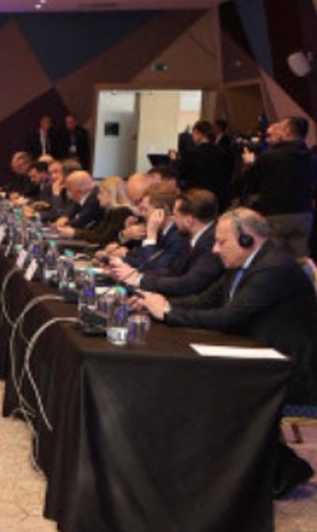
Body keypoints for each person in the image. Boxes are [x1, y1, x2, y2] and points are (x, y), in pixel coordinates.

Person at [133, 208, 317, 498]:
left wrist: (168, 314)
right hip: (256, 353)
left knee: (211, 388)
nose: (215, 250)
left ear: (247, 239)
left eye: (222, 242)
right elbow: (207, 300)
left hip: (289, 368)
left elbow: (228, 317)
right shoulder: (242, 263)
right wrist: (161, 303)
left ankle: (281, 468)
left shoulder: (273, 268)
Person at [110, 188, 223, 297]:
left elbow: (187, 283)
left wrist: (139, 279)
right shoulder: (194, 237)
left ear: (189, 221)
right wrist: (135, 275)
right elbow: (173, 271)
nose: (173, 219)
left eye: (176, 215)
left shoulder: (209, 243)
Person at [242, 116, 316, 258]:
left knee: (274, 258)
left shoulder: (270, 157)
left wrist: (250, 165)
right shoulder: (311, 157)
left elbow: (252, 183)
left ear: (287, 131)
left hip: (275, 214)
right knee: (301, 259)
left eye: (280, 128)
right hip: (304, 214)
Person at [121, 182, 186, 273]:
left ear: (162, 211)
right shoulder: (160, 230)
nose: (142, 214)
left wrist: (151, 234)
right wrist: (117, 260)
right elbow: (141, 259)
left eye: (145, 209)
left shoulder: (178, 236)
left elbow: (154, 268)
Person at [56, 176, 132, 245]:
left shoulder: (121, 212)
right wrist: (75, 233)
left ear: (111, 194)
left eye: (101, 193)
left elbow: (103, 237)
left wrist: (75, 233)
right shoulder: (111, 211)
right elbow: (97, 232)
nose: (98, 197)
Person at [177, 120, 232, 209]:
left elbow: (182, 174)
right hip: (218, 198)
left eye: (193, 133)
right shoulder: (223, 153)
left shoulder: (191, 153)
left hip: (196, 198)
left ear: (198, 133)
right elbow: (228, 176)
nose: (192, 137)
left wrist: (175, 161)